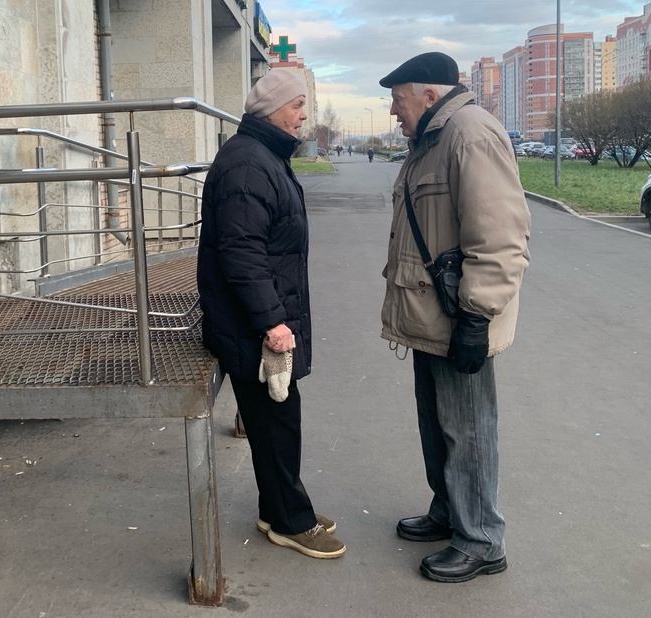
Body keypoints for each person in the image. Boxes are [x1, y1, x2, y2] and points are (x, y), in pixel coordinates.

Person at [379, 52, 530, 583]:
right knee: (437, 423)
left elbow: (501, 238)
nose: (393, 111)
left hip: (458, 316)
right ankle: (450, 511)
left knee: (468, 430)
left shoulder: (469, 134)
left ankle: (482, 539)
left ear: (426, 93)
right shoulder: (433, 141)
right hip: (430, 315)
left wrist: (476, 317)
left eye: (397, 100)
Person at [197, 67, 346, 560]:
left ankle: (276, 507)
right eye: (297, 105)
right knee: (276, 422)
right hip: (253, 328)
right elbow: (241, 253)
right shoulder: (249, 165)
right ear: (271, 110)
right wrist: (272, 321)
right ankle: (290, 521)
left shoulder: (261, 156)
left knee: (276, 419)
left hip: (256, 321)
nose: (305, 115)